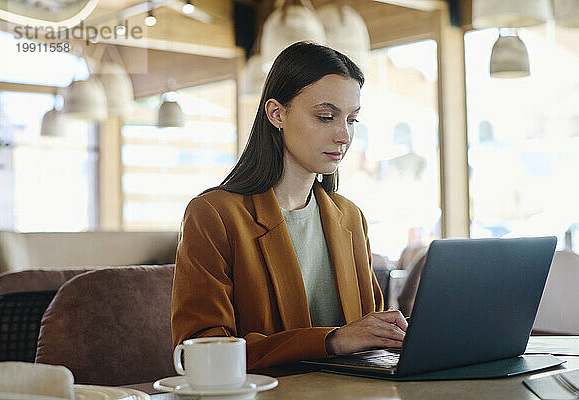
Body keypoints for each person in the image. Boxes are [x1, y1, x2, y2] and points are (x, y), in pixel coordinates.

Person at [171, 41, 408, 370]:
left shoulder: (350, 218)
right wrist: (331, 340)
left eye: (351, 120)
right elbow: (200, 351)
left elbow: (370, 336)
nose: (344, 135)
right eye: (326, 117)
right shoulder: (214, 215)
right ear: (276, 113)